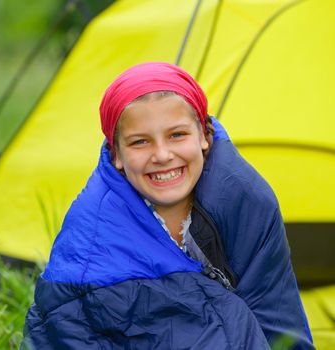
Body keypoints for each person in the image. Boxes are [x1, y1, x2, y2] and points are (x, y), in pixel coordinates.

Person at [22, 62, 313, 349]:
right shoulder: (93, 230)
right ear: (117, 156)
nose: (162, 155)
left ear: (204, 136)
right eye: (139, 142)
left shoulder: (245, 199)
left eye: (177, 135)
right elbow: (66, 328)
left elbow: (276, 315)